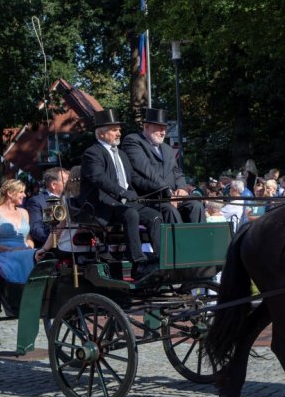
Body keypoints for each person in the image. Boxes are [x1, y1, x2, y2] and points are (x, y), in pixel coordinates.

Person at [78, 109, 163, 275]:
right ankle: (137, 263)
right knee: (130, 214)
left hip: (124, 202)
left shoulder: (122, 155)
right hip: (102, 203)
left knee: (155, 216)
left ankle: (160, 260)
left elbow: (133, 179)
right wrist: (122, 193)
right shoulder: (92, 153)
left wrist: (160, 188)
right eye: (114, 130)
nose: (119, 133)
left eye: (119, 129)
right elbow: (99, 178)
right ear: (102, 134)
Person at [121, 107, 205, 226]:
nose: (163, 132)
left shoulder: (167, 149)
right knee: (170, 210)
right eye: (160, 128)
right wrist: (168, 192)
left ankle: (198, 242)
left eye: (165, 128)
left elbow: (177, 172)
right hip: (151, 198)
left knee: (196, 206)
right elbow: (147, 171)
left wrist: (182, 188)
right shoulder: (133, 141)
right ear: (146, 126)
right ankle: (178, 244)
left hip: (171, 197)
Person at [0, 179, 45, 284]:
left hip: (25, 251)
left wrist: (29, 247)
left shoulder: (24, 212)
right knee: (31, 255)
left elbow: (28, 237)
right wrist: (11, 249)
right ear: (10, 193)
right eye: (21, 192)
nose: (24, 195)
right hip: (3, 254)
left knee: (42, 255)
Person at [25, 166, 70, 248]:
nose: (69, 184)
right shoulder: (38, 201)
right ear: (53, 185)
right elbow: (36, 230)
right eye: (66, 182)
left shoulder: (71, 199)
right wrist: (54, 241)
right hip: (52, 248)